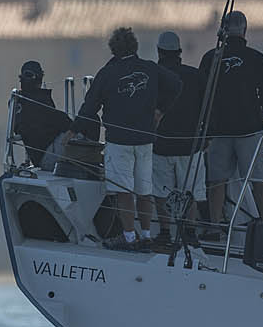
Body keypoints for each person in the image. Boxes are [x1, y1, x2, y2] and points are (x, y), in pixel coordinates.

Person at [77, 27, 182, 250]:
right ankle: (146, 235)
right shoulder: (150, 68)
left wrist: (72, 130)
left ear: (113, 49)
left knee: (124, 191)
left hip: (119, 142)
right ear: (135, 47)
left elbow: (89, 108)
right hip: (145, 141)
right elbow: (176, 85)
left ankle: (129, 237)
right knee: (144, 190)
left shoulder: (107, 73)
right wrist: (160, 110)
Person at [199, 11, 263, 227]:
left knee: (217, 182)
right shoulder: (256, 58)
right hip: (250, 131)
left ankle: (215, 225)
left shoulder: (211, 58)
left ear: (222, 30)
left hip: (219, 131)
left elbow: (202, 92)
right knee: (259, 182)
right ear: (245, 30)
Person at [151, 31, 207, 247]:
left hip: (161, 145)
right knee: (189, 189)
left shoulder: (154, 76)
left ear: (159, 52)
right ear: (179, 52)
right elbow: (206, 109)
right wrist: (205, 138)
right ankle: (190, 231)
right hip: (190, 146)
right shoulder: (195, 76)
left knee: (160, 190)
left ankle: (165, 231)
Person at [11, 60, 74, 170]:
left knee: (80, 129)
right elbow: (62, 121)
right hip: (47, 157)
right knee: (81, 131)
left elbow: (57, 120)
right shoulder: (29, 101)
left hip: (46, 153)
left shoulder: (22, 100)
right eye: (27, 75)